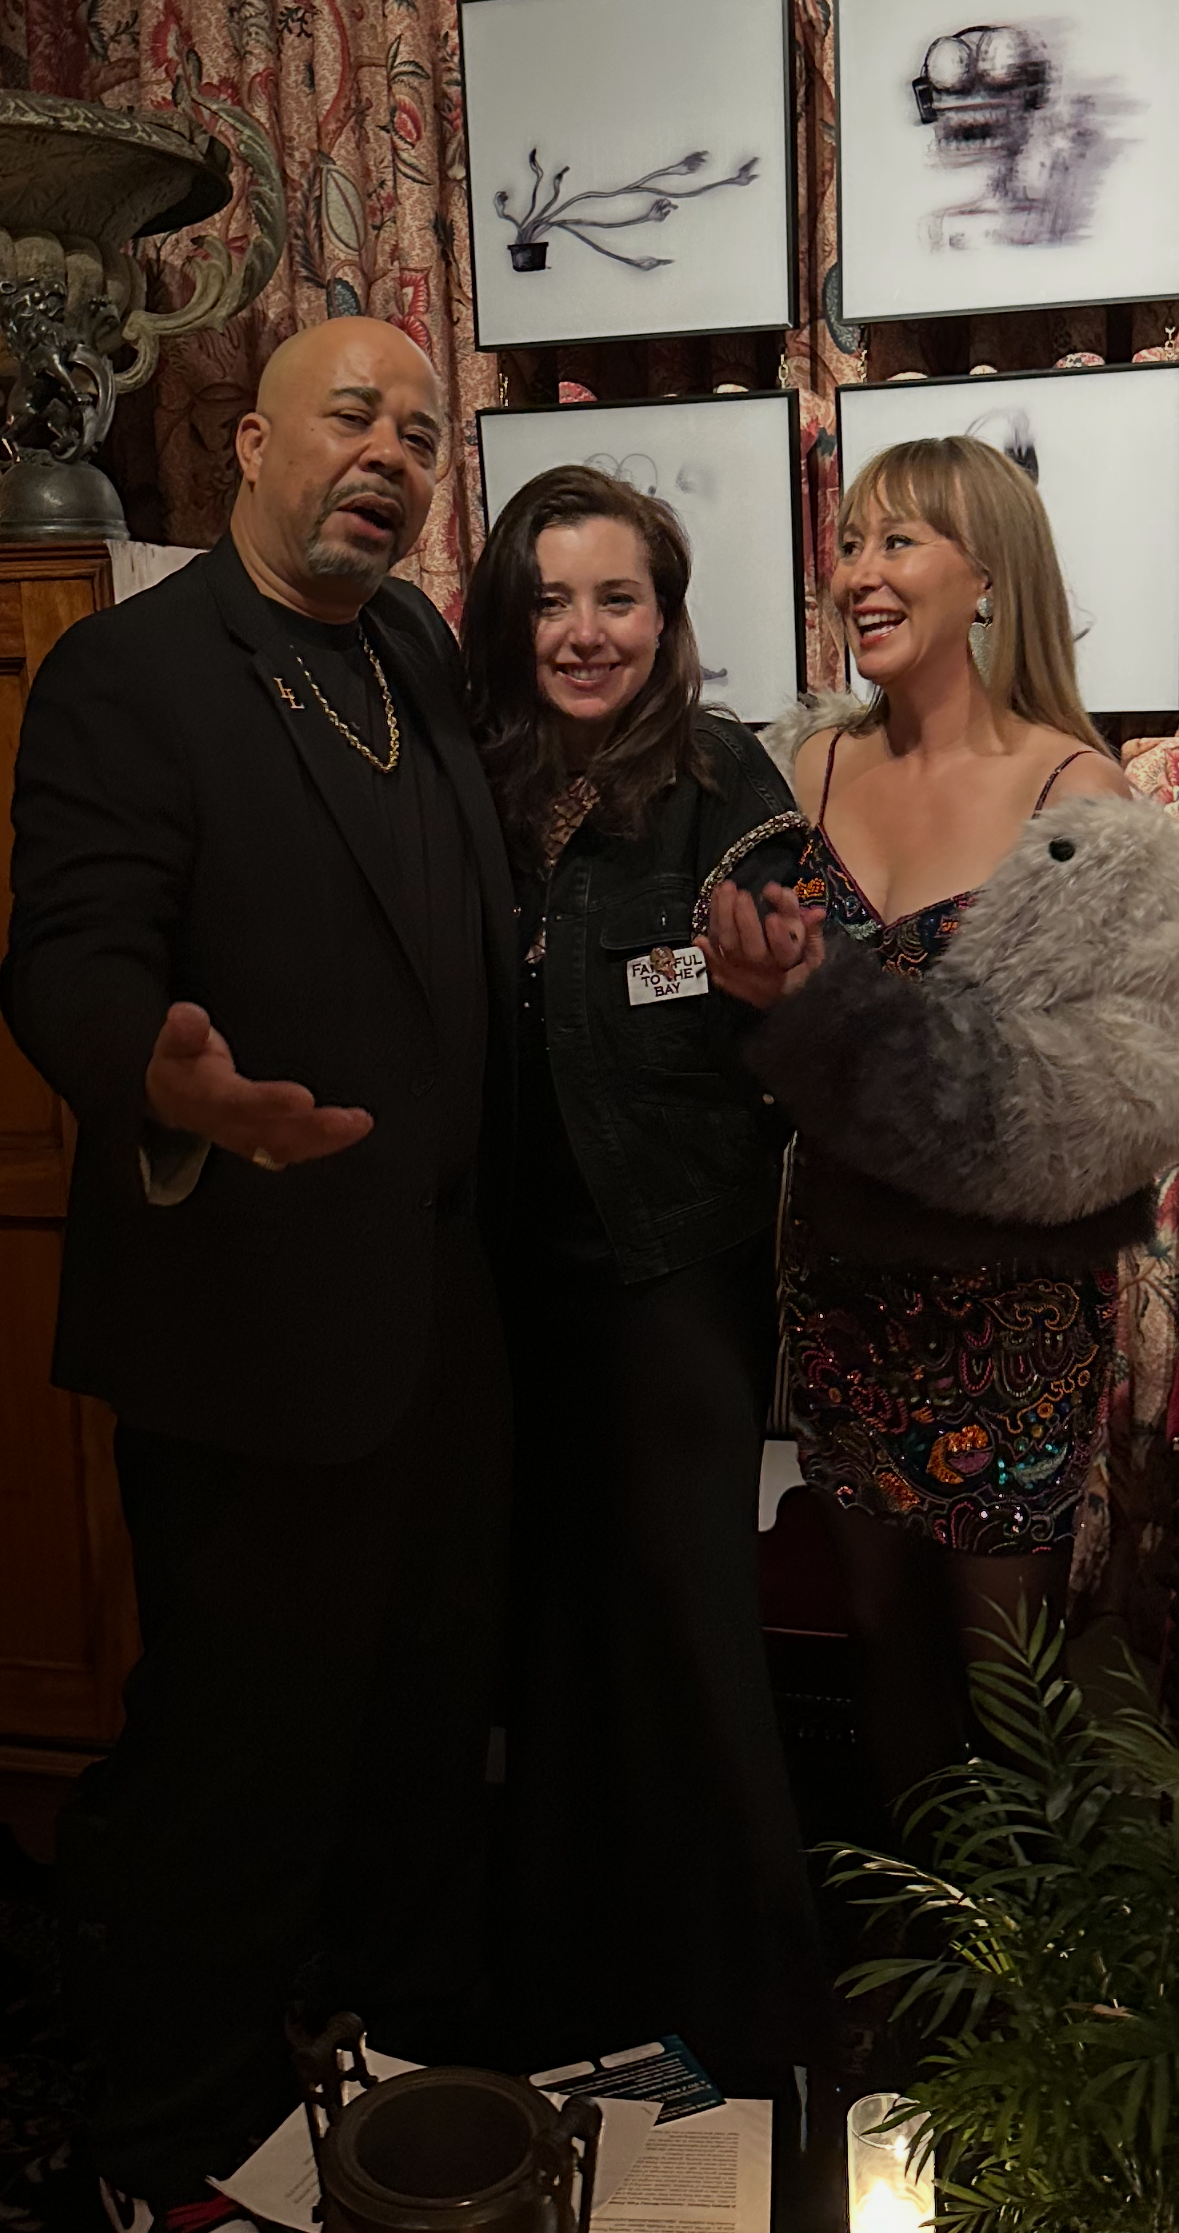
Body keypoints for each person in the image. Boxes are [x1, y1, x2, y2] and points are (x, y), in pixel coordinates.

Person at [0, 317, 517, 2233]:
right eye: (352, 417)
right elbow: (62, 953)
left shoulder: (411, 656)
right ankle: (172, 2149)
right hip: (248, 1323)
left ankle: (388, 2076)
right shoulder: (133, 672)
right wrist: (165, 1079)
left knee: (415, 1731)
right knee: (235, 1763)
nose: (389, 450)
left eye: (418, 428)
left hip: (443, 1321)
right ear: (247, 444)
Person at [699, 435, 1179, 1827]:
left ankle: (1029, 1997)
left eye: (898, 542)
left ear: (985, 578)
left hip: (1005, 1304)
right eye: (850, 543)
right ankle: (914, 1984)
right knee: (875, 1631)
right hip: (838, 1277)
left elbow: (1114, 1091)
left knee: (1006, 1671)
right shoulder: (802, 770)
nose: (859, 572)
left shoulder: (1071, 792)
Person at [461, 464, 829, 2087]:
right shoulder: (473, 773)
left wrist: (784, 989)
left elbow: (809, 1007)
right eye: (551, 599)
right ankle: (563, 1997)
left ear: (666, 617)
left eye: (618, 598)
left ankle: (756, 2024)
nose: (585, 632)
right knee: (540, 1639)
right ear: (506, 613)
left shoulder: (717, 775)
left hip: (673, 1265)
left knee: (686, 1634)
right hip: (501, 1278)